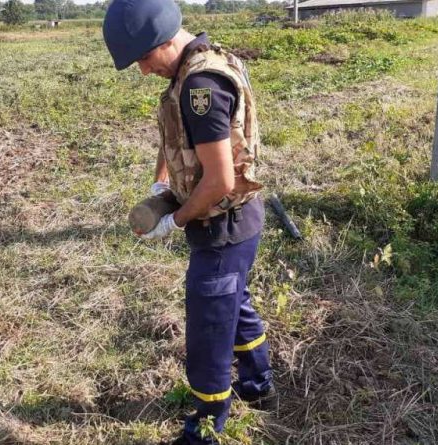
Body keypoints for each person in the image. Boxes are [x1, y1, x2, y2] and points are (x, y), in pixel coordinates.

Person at [102, 0, 276, 444]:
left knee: (208, 330)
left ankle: (206, 425)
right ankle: (259, 386)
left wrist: (175, 221)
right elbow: (175, 135)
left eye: (143, 58)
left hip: (222, 227)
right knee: (234, 306)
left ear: (164, 40)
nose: (142, 71)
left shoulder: (201, 88)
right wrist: (162, 183)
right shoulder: (198, 64)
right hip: (240, 223)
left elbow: (218, 180)